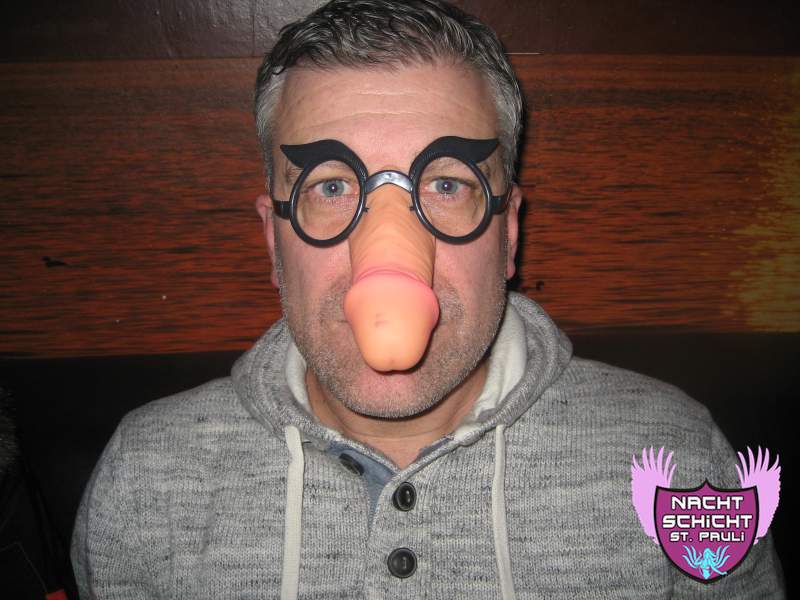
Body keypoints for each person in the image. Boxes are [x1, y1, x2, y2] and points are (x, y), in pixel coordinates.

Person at [71, 0, 785, 598]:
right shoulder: (148, 478)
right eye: (331, 186)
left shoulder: (677, 461)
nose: (388, 257)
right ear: (273, 239)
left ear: (508, 232)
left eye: (446, 185)